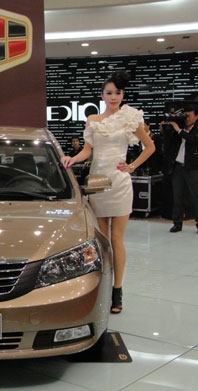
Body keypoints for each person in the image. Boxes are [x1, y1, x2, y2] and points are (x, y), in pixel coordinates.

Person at [62, 71, 155, 314]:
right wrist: (72, 158)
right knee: (102, 240)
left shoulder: (130, 117)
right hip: (97, 183)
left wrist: (132, 166)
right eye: (109, 92)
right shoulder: (93, 119)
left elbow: (150, 146)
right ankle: (102, 286)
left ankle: (117, 289)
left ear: (123, 95)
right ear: (102, 95)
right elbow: (87, 151)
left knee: (116, 239)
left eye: (118, 93)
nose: (114, 97)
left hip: (120, 182)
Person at [162, 103, 198, 233]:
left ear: (196, 116)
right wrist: (167, 128)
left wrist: (179, 130)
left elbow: (194, 140)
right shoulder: (179, 127)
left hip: (193, 167)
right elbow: (168, 142)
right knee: (177, 196)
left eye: (189, 116)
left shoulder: (194, 129)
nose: (186, 119)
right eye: (184, 116)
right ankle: (177, 223)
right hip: (178, 166)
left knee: (195, 197)